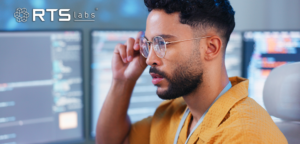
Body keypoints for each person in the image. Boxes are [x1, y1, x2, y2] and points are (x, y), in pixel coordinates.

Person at [96, 0, 288, 143]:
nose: (149, 59)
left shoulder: (245, 135)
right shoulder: (176, 111)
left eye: (163, 43)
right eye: (149, 44)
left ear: (211, 48)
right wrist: (122, 81)